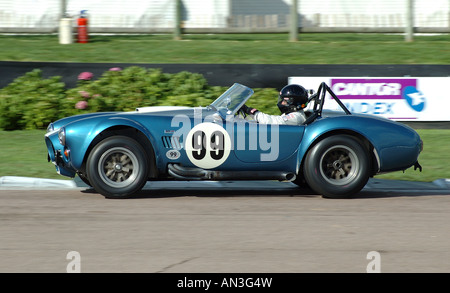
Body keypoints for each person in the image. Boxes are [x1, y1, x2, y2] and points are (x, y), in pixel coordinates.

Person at [240, 84, 309, 125]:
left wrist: (253, 112)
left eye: (285, 101)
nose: (282, 103)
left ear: (294, 102)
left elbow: (273, 121)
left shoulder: (296, 117)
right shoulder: (294, 114)